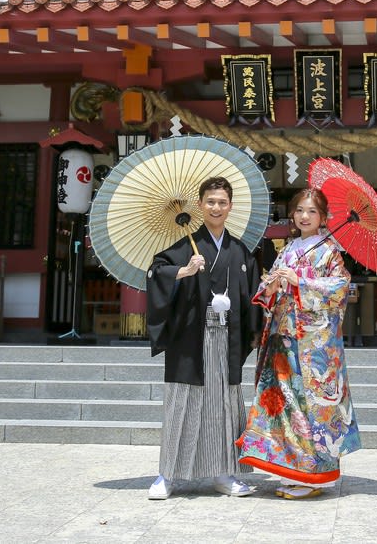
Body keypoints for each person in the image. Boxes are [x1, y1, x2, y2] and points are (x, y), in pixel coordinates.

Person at [236, 187, 361, 499]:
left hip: (313, 347)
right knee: (287, 405)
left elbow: (340, 288)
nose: (305, 216)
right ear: (292, 214)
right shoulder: (289, 248)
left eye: (312, 211)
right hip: (284, 338)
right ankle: (292, 470)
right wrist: (272, 285)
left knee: (310, 407)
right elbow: (271, 290)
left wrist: (300, 282)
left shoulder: (329, 251)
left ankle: (314, 476)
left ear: (323, 217)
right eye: (300, 210)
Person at [145, 176, 260, 499]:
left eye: (222, 202)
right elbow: (155, 272)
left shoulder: (239, 251)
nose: (216, 207)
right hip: (191, 337)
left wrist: (255, 330)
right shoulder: (184, 247)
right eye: (210, 201)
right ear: (200, 205)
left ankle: (223, 473)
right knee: (183, 401)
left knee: (224, 403)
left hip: (227, 337)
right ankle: (168, 474)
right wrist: (183, 271)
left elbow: (253, 293)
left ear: (230, 206)